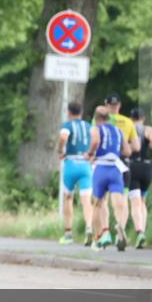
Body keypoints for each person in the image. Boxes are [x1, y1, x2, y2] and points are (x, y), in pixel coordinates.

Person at [86, 106, 132, 251]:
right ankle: (120, 226)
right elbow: (127, 151)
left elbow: (95, 141)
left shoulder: (96, 128)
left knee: (97, 204)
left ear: (96, 118)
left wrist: (90, 153)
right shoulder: (118, 131)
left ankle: (98, 238)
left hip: (101, 167)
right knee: (118, 202)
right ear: (109, 118)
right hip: (116, 169)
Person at [56, 101, 93, 246]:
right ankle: (89, 228)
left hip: (71, 163)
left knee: (68, 198)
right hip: (85, 164)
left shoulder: (68, 125)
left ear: (69, 112)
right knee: (86, 199)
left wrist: (60, 150)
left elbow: (63, 137)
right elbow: (95, 140)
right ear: (81, 112)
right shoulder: (88, 126)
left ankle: (68, 233)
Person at [104, 93, 140, 233]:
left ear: (106, 104)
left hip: (105, 163)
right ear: (119, 105)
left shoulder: (101, 120)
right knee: (123, 197)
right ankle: (121, 230)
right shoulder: (128, 122)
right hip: (123, 163)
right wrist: (124, 148)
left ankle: (104, 232)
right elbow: (136, 147)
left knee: (103, 199)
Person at [128, 107, 152, 248]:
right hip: (147, 168)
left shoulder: (129, 128)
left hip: (133, 167)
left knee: (135, 202)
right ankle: (143, 232)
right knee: (143, 202)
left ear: (131, 118)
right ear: (143, 118)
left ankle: (139, 232)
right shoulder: (148, 130)